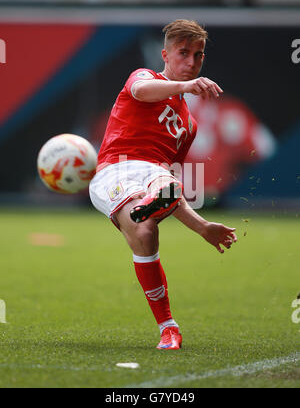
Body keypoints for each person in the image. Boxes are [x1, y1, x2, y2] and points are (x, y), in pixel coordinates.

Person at [89, 20, 238, 350]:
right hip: (115, 171)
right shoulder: (144, 77)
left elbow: (175, 185)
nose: (191, 62)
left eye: (198, 55)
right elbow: (141, 92)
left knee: (147, 228)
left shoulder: (189, 125)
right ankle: (150, 202)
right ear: (165, 55)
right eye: (183, 53)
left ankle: (168, 329)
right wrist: (185, 87)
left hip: (155, 177)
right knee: (158, 199)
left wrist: (202, 227)